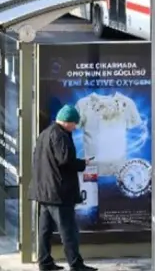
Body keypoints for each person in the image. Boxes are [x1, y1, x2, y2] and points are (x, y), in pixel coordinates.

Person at [30, 105, 97, 271]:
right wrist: (83, 163)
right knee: (68, 230)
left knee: (45, 230)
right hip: (58, 192)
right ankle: (76, 264)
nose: (75, 127)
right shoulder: (60, 136)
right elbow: (65, 161)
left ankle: (45, 262)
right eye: (74, 123)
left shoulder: (45, 134)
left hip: (44, 191)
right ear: (67, 122)